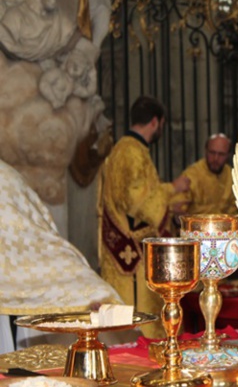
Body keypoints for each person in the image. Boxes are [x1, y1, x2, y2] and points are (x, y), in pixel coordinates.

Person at [0, 158, 122, 354]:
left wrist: (86, 294)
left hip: (28, 291)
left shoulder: (7, 178)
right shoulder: (7, 176)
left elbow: (40, 241)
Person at [97, 95, 190, 338]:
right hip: (132, 254)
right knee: (139, 325)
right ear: (155, 122)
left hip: (131, 249)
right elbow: (135, 200)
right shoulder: (130, 151)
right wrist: (173, 188)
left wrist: (169, 206)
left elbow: (143, 197)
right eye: (162, 124)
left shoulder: (129, 149)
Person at [180, 133, 238, 215]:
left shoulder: (233, 177)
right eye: (212, 153)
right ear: (206, 151)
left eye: (221, 154)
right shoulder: (191, 175)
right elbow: (179, 210)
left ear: (228, 155)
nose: (216, 158)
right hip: (197, 226)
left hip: (227, 226)